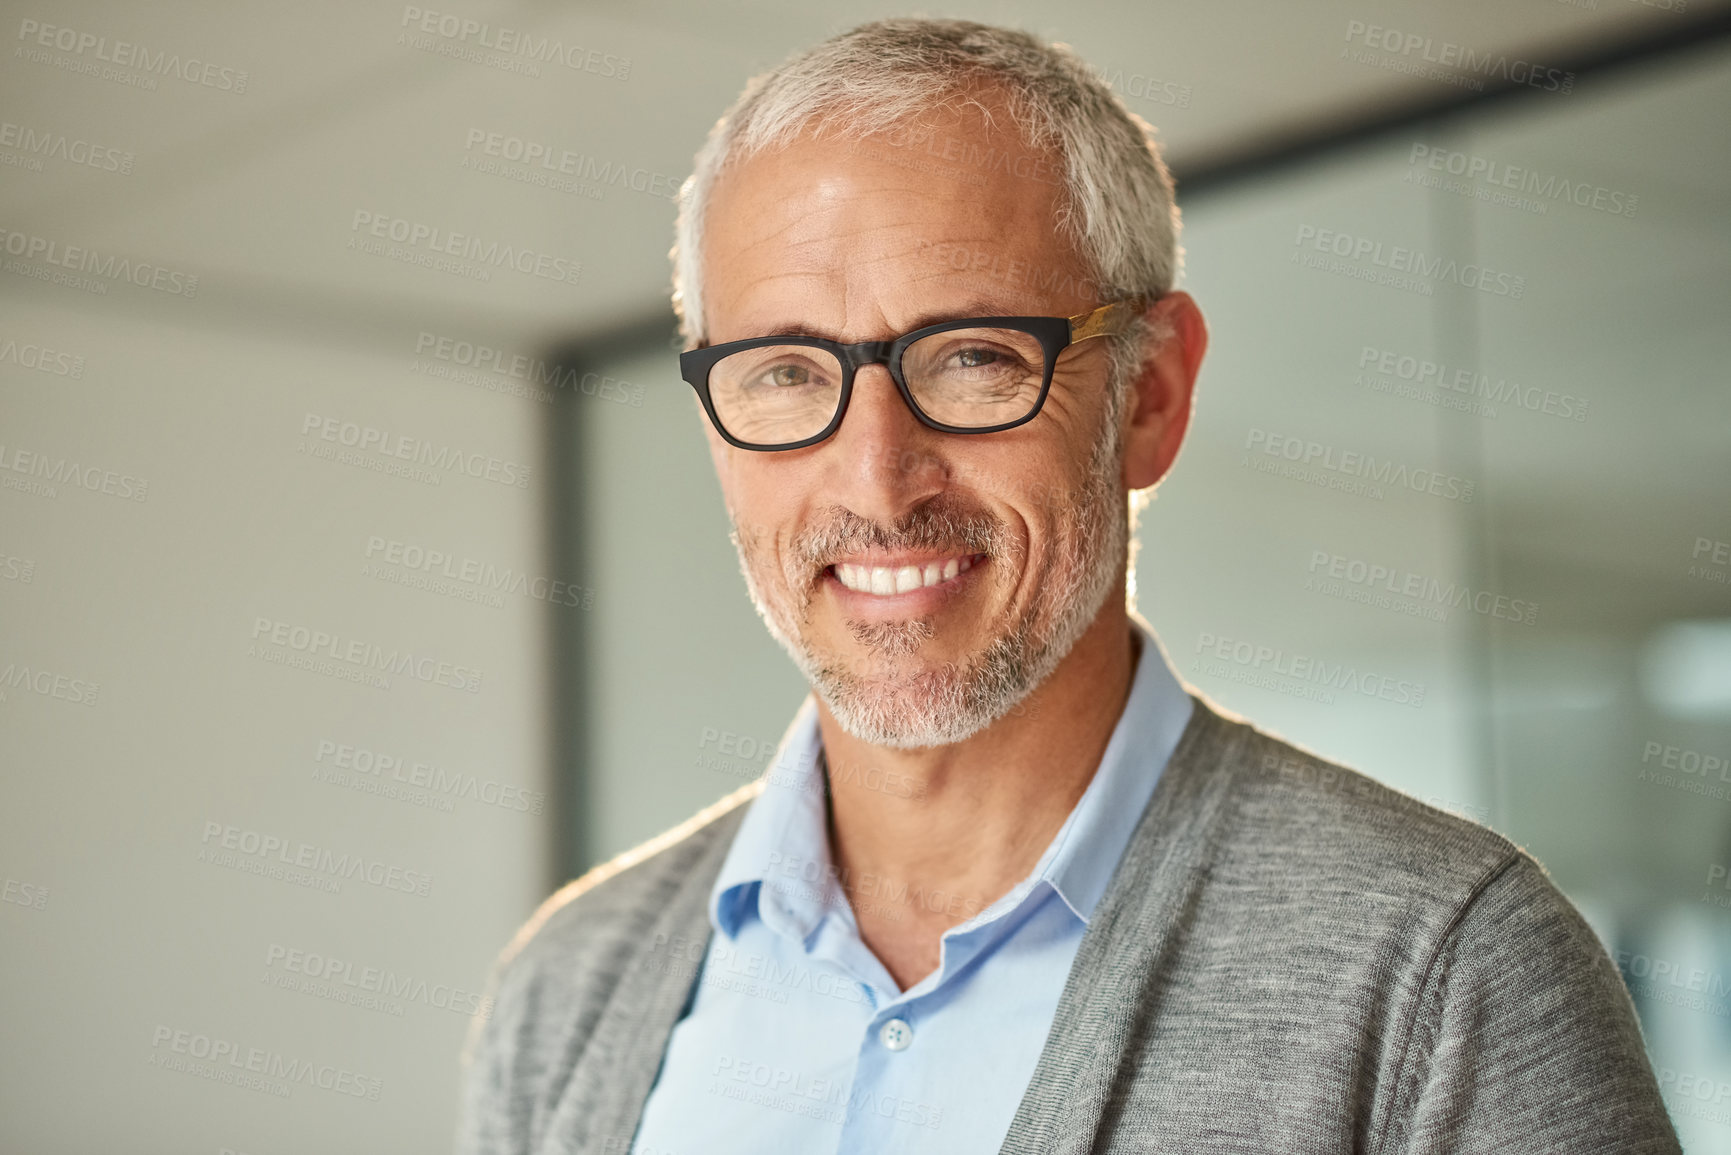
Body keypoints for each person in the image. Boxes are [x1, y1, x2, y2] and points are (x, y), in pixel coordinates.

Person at [456, 18, 1678, 1154]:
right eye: (783, 372)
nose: (878, 486)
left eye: (975, 359)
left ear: (1150, 395)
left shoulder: (1448, 969)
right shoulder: (572, 986)